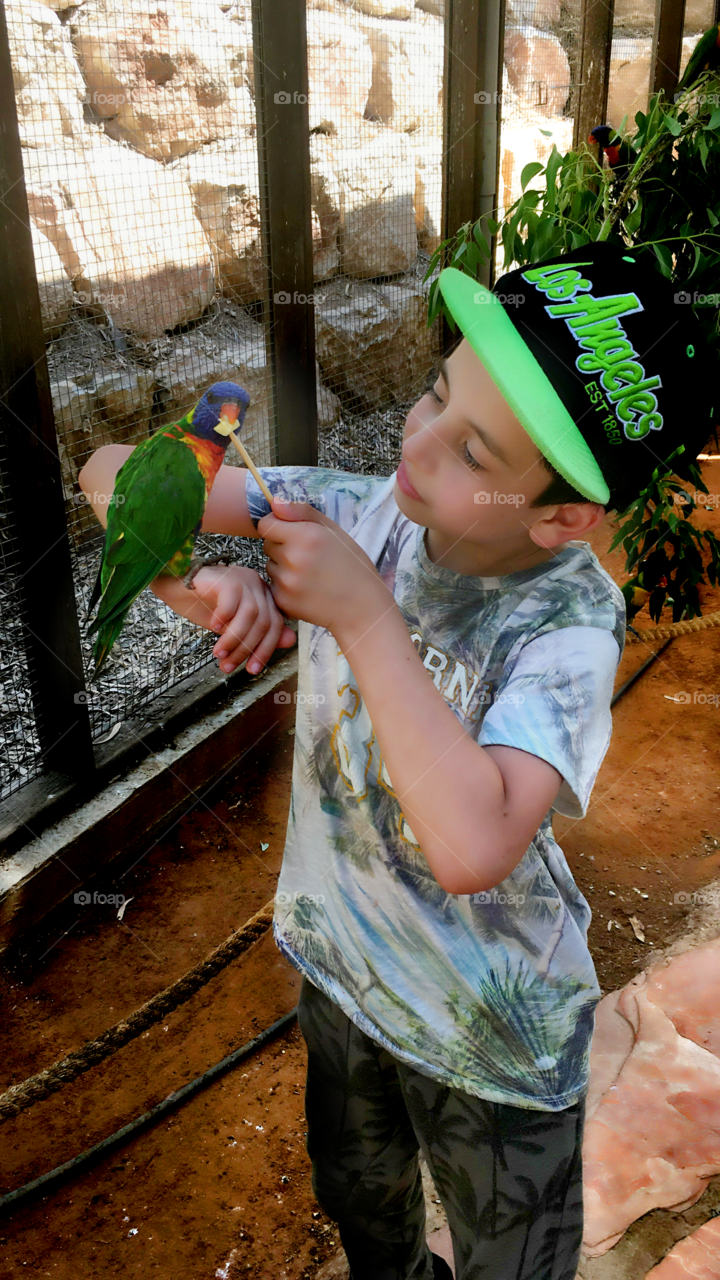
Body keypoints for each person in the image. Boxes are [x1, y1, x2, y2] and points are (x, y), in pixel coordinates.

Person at [79, 242, 716, 1280]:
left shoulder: (569, 631)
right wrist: (197, 583)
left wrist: (366, 617)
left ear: (563, 518)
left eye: (474, 454)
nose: (416, 447)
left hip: (495, 1043)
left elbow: (475, 840)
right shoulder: (357, 508)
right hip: (345, 976)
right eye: (433, 395)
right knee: (360, 1199)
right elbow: (114, 477)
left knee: (509, 1254)